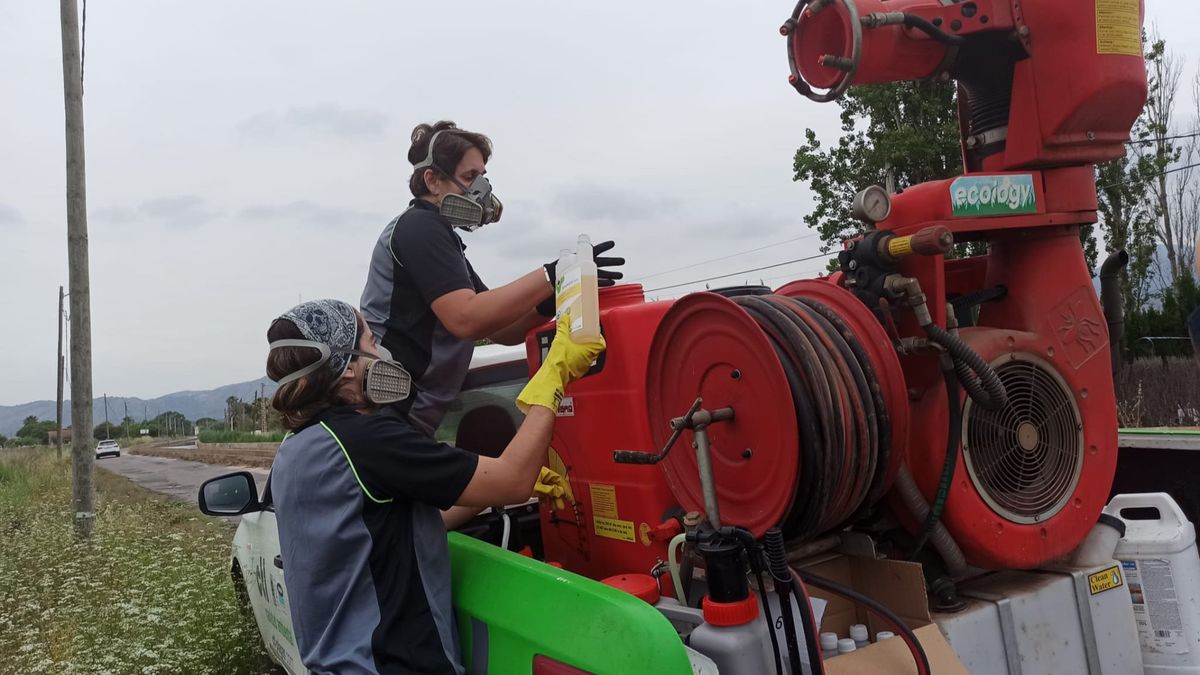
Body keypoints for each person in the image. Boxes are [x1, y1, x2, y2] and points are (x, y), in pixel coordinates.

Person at [265, 298, 604, 675]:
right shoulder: (367, 441)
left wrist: (485, 495)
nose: (381, 352)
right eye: (371, 342)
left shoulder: (296, 450)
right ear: (346, 369)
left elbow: (391, 528)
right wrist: (553, 375)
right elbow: (513, 478)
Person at [360, 120, 624, 435]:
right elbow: (466, 319)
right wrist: (553, 273)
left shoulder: (443, 239)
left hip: (404, 419)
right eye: (470, 177)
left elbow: (499, 328)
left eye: (482, 178)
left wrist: (551, 299)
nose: (480, 191)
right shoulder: (420, 228)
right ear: (432, 180)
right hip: (383, 415)